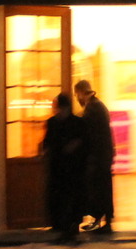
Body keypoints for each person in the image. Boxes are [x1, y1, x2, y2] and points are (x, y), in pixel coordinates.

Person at [40, 92, 87, 240]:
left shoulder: (77, 123)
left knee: (72, 195)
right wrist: (44, 150)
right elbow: (47, 140)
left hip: (73, 167)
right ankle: (58, 224)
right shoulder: (52, 122)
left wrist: (75, 146)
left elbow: (85, 142)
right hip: (57, 166)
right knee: (57, 195)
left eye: (57, 107)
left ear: (65, 107)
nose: (56, 110)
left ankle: (73, 224)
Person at [73, 79, 115, 233]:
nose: (77, 98)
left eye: (77, 94)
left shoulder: (93, 108)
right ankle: (99, 221)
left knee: (100, 188)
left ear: (82, 92)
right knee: (100, 188)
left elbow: (86, 128)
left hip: (100, 156)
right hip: (103, 154)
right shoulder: (97, 105)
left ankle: (106, 224)